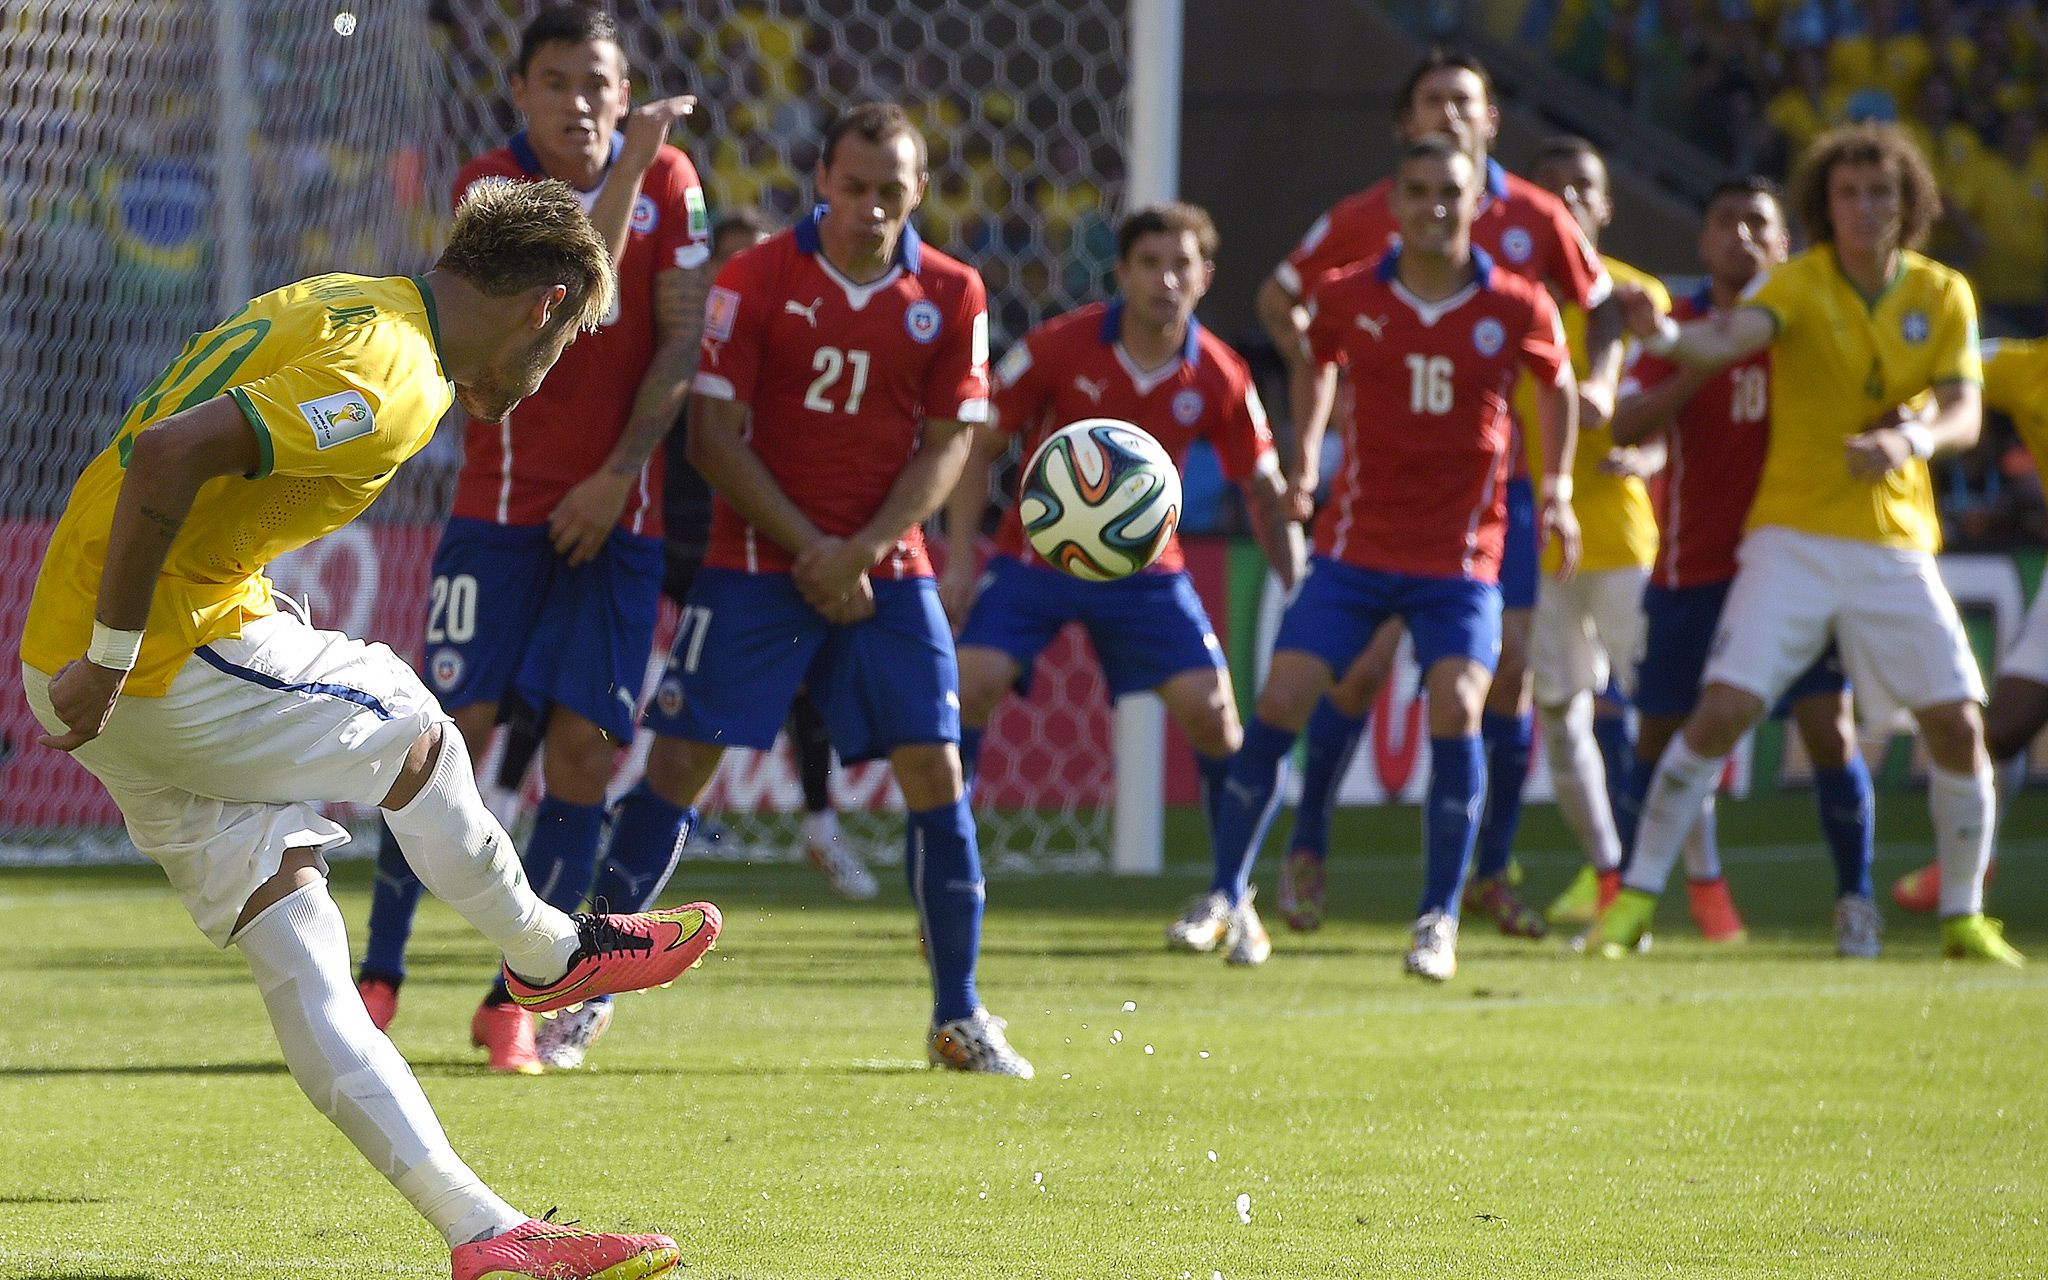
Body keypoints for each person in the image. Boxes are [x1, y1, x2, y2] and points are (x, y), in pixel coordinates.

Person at [19, 177, 720, 1279]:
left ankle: (485, 1232)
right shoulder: (397, 372)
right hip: (144, 657)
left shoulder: (349, 299)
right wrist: (111, 656)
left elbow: (187, 464)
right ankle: (547, 954)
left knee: (300, 951)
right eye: (565, 345)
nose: (548, 375)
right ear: (543, 306)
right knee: (411, 727)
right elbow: (168, 452)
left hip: (78, 652)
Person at [613, 102, 1035, 1075]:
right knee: (677, 765)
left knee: (936, 770)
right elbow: (711, 439)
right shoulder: (755, 277)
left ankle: (958, 1014)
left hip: (888, 569)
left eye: (891, 190)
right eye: (854, 187)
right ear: (823, 181)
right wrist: (817, 550)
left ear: (918, 190)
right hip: (754, 563)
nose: (871, 206)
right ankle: (585, 991)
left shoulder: (953, 291)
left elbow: (950, 446)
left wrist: (864, 551)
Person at [352, 5, 711, 1074]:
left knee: (583, 753)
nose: (580, 102)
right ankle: (379, 977)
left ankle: (513, 998)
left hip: (621, 515)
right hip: (498, 511)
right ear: (520, 93)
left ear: (624, 87)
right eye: (555, 81)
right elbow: (575, 305)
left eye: (597, 81)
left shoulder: (675, 181)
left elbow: (679, 338)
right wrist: (631, 166)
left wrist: (617, 475)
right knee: (441, 736)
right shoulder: (490, 187)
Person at [1592, 122, 2023, 966]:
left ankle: (1963, 918)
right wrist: (1665, 337)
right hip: (1789, 540)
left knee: (1956, 726)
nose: (1864, 208)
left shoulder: (1942, 294)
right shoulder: (1798, 284)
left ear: (1910, 202)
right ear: (1825, 206)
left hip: (1893, 542)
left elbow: (1965, 413)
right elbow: (1727, 340)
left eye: (1881, 192)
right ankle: (1635, 901)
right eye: (1847, 193)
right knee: (1720, 714)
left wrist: (1908, 442)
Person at [1254, 48, 1612, 934]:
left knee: (1507, 676)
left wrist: (1598, 386)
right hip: (1391, 493)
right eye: (1432, 101)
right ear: (1406, 122)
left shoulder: (1536, 215)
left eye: (1464, 101)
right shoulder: (1371, 214)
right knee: (1358, 672)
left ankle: (1488, 873)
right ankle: (1308, 846)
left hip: (1505, 491)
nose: (1448, 113)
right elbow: (1281, 300)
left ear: (1491, 120)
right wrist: (1330, 390)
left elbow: (1601, 304)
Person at [938, 201, 1302, 966]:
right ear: (1122, 274)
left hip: (1146, 572)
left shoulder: (1221, 373)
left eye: (1181, 266)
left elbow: (1264, 491)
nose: (1166, 280)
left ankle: (1231, 896)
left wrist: (1297, 588)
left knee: (1215, 719)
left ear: (1205, 278)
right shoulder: (1059, 345)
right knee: (968, 686)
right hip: (1035, 559)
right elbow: (982, 445)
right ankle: (946, 882)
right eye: (1150, 264)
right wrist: (963, 556)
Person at [1611, 176, 1881, 955]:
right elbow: (1626, 424)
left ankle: (1856, 900)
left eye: (1759, 224)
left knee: (1829, 730)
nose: (1742, 236)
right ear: (1702, 241)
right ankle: (1629, 906)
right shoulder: (1676, 326)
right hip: (1693, 567)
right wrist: (1699, 358)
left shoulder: (1811, 322)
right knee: (1659, 738)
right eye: (1725, 221)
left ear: (1783, 243)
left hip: (1799, 563)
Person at [1514, 136, 1670, 935]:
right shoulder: (1502, 296)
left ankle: (1686, 878)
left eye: (1583, 187)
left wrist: (1650, 453)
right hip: (1532, 539)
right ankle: (1609, 870)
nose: (1569, 200)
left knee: (1665, 709)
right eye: (1552, 189)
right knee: (1560, 712)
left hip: (1620, 533)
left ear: (1606, 205)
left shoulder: (1638, 298)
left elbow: (1680, 410)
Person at [1891, 331, 2048, 913]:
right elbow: (1945, 367)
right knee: (2001, 732)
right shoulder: (2024, 366)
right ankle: (1973, 860)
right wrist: (1908, 415)